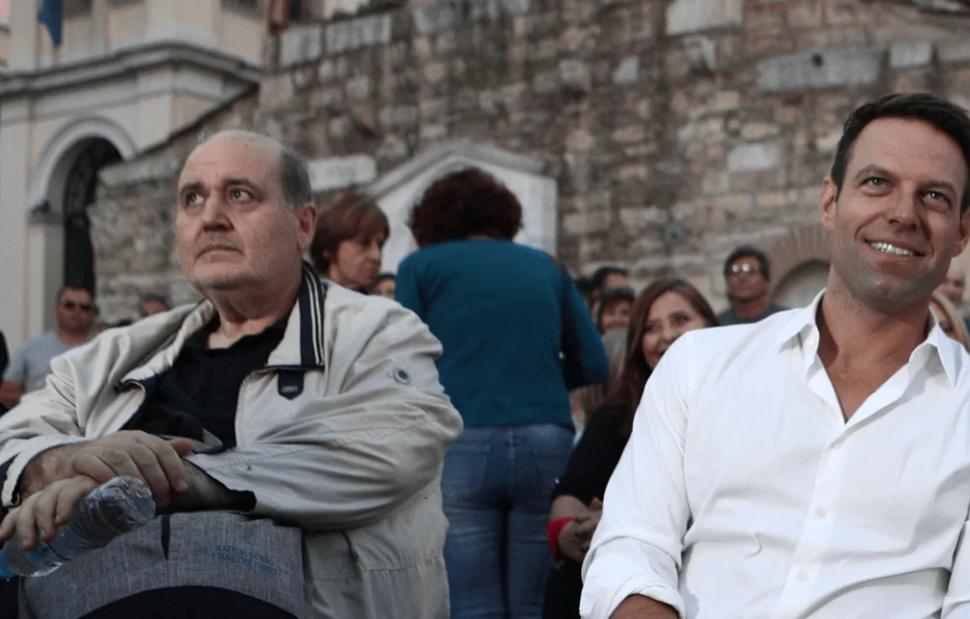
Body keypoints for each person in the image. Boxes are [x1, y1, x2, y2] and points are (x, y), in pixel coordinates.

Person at [0, 130, 462, 618]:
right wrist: (60, 464)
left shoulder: (377, 332)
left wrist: (170, 481)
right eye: (192, 199)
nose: (211, 217)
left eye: (240, 195)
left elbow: (391, 444)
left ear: (303, 224)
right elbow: (12, 436)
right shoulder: (115, 353)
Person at [581, 92, 970, 618]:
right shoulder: (699, 366)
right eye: (877, 182)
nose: (903, 213)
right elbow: (632, 546)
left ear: (961, 232)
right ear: (830, 203)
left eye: (934, 196)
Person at [396, 167, 608, 619]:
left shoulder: (421, 267)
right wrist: (539, 380)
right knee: (535, 603)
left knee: (473, 605)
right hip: (545, 439)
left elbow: (401, 363)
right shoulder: (547, 266)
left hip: (461, 439)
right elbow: (594, 362)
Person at [545, 278, 716, 619]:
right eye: (652, 328)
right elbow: (571, 491)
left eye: (681, 320)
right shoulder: (619, 412)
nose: (666, 335)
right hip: (631, 577)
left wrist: (621, 518)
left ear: (712, 326)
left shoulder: (747, 404)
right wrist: (569, 530)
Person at [0, 285, 96, 409]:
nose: (77, 311)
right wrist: (34, 404)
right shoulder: (31, 347)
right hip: (39, 418)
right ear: (57, 309)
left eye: (84, 307)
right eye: (69, 305)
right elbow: (7, 393)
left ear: (92, 312)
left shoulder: (104, 350)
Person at [310, 190, 389, 292]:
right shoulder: (306, 299)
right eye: (363, 243)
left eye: (380, 245)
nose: (376, 256)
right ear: (328, 249)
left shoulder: (383, 299)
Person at [715, 245, 786, 325]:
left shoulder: (786, 320)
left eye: (751, 272)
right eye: (735, 272)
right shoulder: (716, 325)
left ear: (766, 282)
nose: (742, 277)